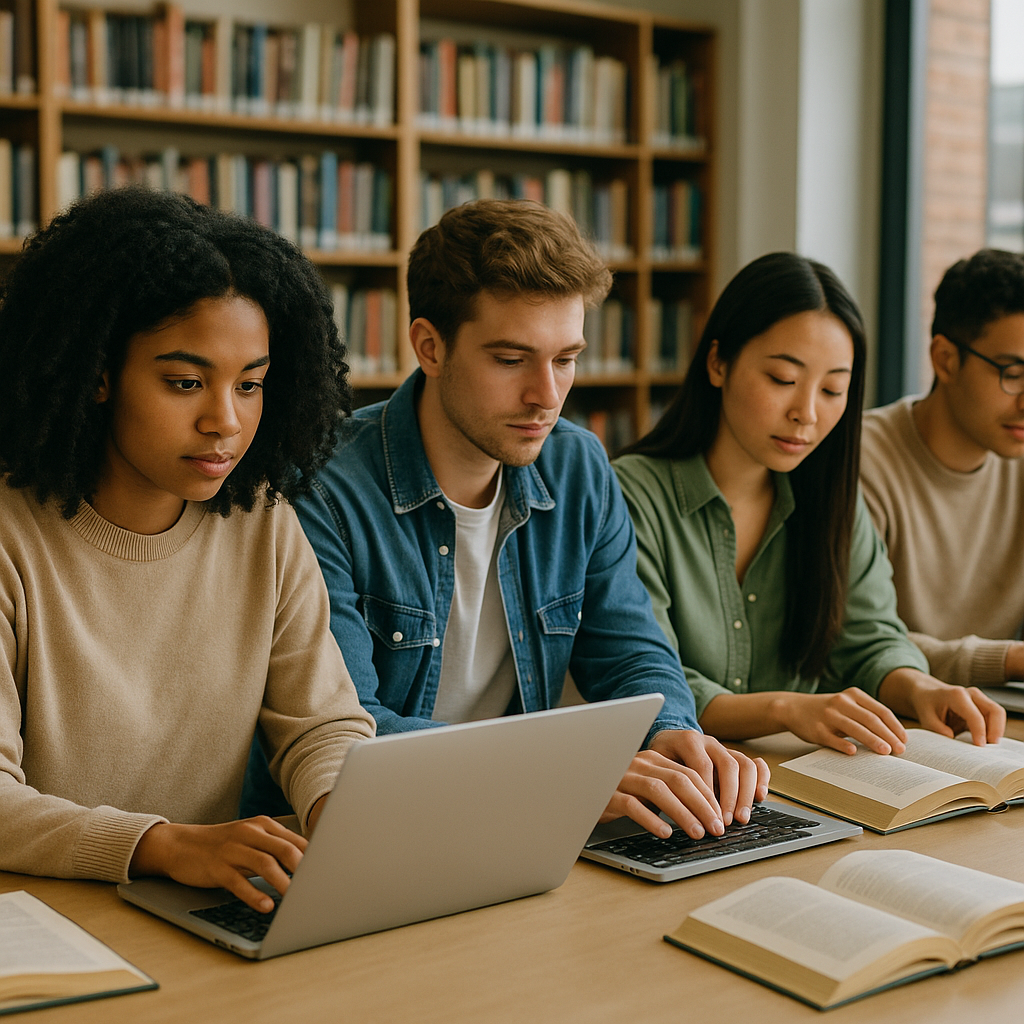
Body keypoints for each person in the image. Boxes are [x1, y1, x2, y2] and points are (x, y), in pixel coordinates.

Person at [246, 199, 768, 843]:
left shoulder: (577, 465)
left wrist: (675, 735)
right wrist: (564, 772)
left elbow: (632, 652)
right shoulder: (322, 485)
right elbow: (347, 725)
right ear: (429, 346)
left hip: (514, 828)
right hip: (364, 831)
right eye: (511, 359)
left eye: (566, 358)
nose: (546, 396)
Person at [0, 187, 375, 913]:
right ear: (99, 373)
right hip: (39, 921)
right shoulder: (12, 539)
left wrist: (341, 810)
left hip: (191, 907)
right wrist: (164, 844)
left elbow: (321, 724)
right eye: (185, 382)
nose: (225, 422)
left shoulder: (263, 525)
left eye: (251, 385)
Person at [612, 252, 1004, 755]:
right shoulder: (631, 496)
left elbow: (871, 637)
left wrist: (920, 686)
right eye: (782, 380)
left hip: (807, 781)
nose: (807, 413)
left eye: (833, 389)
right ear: (718, 362)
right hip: (687, 784)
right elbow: (647, 681)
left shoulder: (832, 498)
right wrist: (788, 708)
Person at [861, 249, 1024, 688]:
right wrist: (1007, 658)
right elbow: (856, 640)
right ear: (945, 359)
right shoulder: (863, 462)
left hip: (996, 715)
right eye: (1013, 372)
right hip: (891, 717)